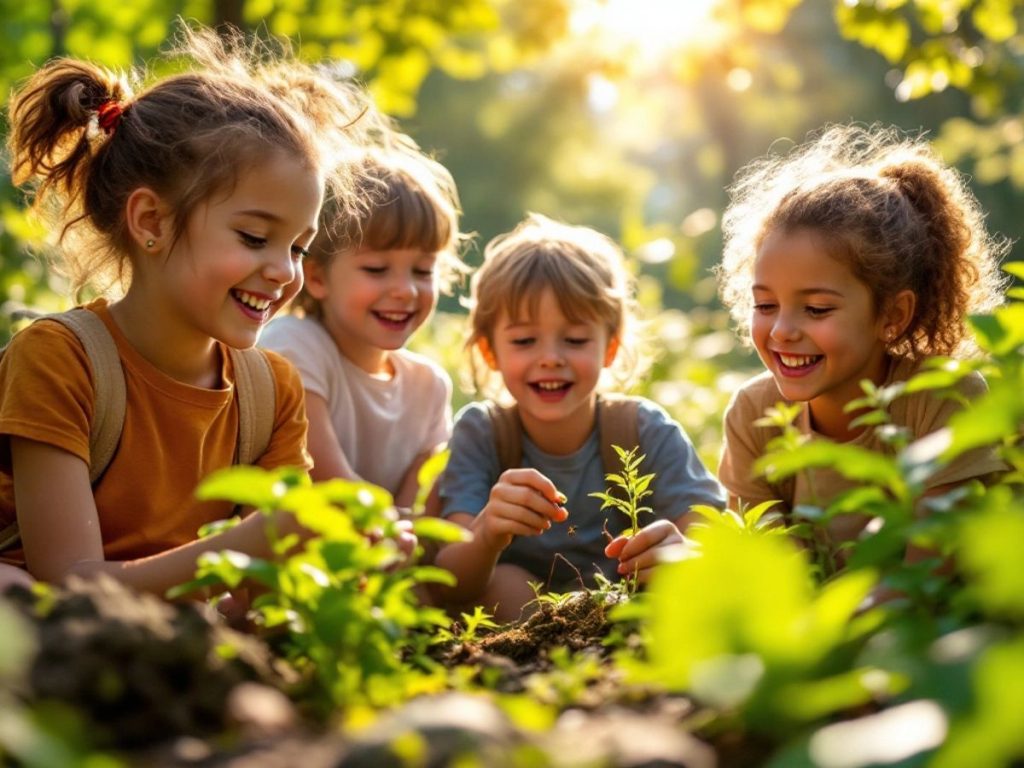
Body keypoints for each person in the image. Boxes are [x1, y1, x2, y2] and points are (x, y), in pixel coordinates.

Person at [0, 27, 368, 595]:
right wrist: (246, 549)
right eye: (253, 237)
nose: (285, 271)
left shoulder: (271, 393)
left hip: (171, 630)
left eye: (298, 247)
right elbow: (70, 584)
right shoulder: (59, 360)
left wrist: (337, 555)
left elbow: (259, 599)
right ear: (150, 221)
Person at [716, 123, 1007, 547]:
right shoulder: (753, 415)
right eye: (765, 305)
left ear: (893, 314)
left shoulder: (943, 399)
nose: (781, 330)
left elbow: (929, 569)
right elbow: (769, 571)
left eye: (816, 309)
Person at [434, 214, 725, 622]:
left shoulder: (644, 429)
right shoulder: (482, 432)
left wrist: (681, 551)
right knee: (505, 583)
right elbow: (450, 581)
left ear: (609, 347)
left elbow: (710, 538)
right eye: (523, 340)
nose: (551, 357)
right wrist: (486, 534)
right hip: (520, 615)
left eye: (574, 340)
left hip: (628, 609)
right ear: (489, 352)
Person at [260, 145, 467, 509]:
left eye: (422, 271)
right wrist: (397, 533)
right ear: (318, 277)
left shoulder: (428, 387)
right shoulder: (296, 345)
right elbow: (331, 488)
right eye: (376, 269)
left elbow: (417, 512)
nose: (405, 290)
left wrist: (403, 536)